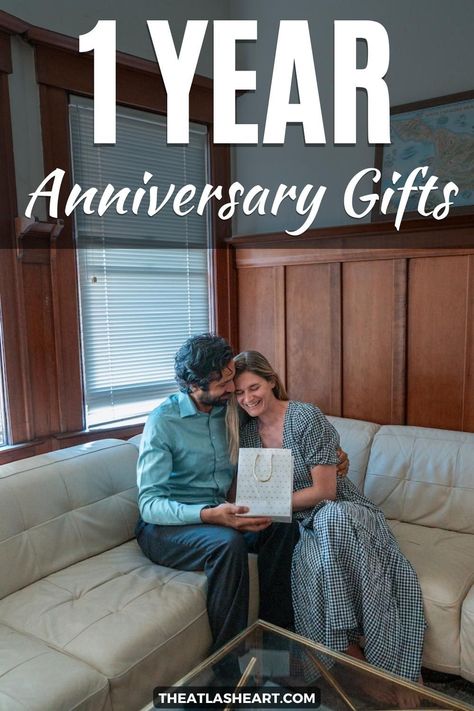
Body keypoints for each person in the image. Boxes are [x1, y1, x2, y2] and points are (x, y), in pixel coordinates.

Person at [226, 350, 426, 688]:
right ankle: (340, 654)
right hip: (294, 521)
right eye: (239, 393)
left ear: (272, 381)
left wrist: (271, 504)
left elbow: (326, 491)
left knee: (331, 519)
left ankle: (388, 661)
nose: (247, 398)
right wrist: (252, 507)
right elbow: (246, 491)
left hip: (338, 510)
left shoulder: (305, 417)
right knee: (296, 553)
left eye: (254, 387)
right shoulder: (246, 435)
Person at [135, 334, 301, 654]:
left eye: (230, 377)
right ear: (193, 385)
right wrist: (211, 516)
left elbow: (281, 420)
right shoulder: (163, 422)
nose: (231, 388)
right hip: (166, 526)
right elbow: (149, 504)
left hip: (217, 512)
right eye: (222, 383)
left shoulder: (228, 409)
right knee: (228, 544)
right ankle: (228, 663)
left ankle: (274, 646)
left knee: (281, 523)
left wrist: (332, 454)